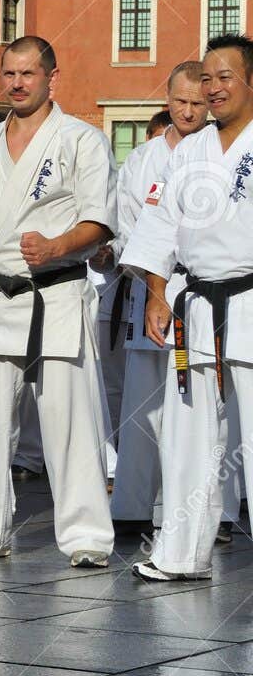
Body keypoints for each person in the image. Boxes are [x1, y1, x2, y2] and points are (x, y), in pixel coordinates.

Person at [0, 36, 116, 568]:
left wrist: (58, 245)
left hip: (55, 294)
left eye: (28, 74)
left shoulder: (81, 140)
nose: (17, 83)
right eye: (9, 74)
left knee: (69, 419)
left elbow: (100, 217)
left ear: (50, 78)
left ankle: (86, 536)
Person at [124, 36, 253, 581]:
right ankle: (181, 554)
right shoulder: (190, 149)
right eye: (206, 78)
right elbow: (160, 228)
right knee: (187, 433)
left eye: (224, 76)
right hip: (196, 302)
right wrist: (157, 294)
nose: (213, 88)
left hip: (250, 298)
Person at [109, 63, 224, 537]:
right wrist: (141, 267)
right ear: (168, 98)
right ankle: (133, 506)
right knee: (141, 404)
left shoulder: (222, 152)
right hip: (150, 286)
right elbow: (126, 226)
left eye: (199, 103)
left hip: (199, 290)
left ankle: (213, 513)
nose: (190, 111)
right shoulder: (142, 159)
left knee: (200, 408)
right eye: (181, 102)